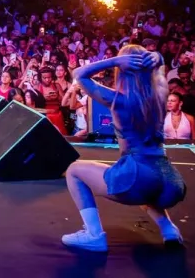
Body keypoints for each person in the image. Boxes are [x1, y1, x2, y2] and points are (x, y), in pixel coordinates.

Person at [62, 45, 186, 252]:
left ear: (122, 69)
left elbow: (79, 74)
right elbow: (161, 67)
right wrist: (157, 57)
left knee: (74, 171)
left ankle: (94, 235)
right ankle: (169, 229)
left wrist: (113, 61)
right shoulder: (162, 93)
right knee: (146, 191)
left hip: (138, 175)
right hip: (170, 181)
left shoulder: (118, 100)